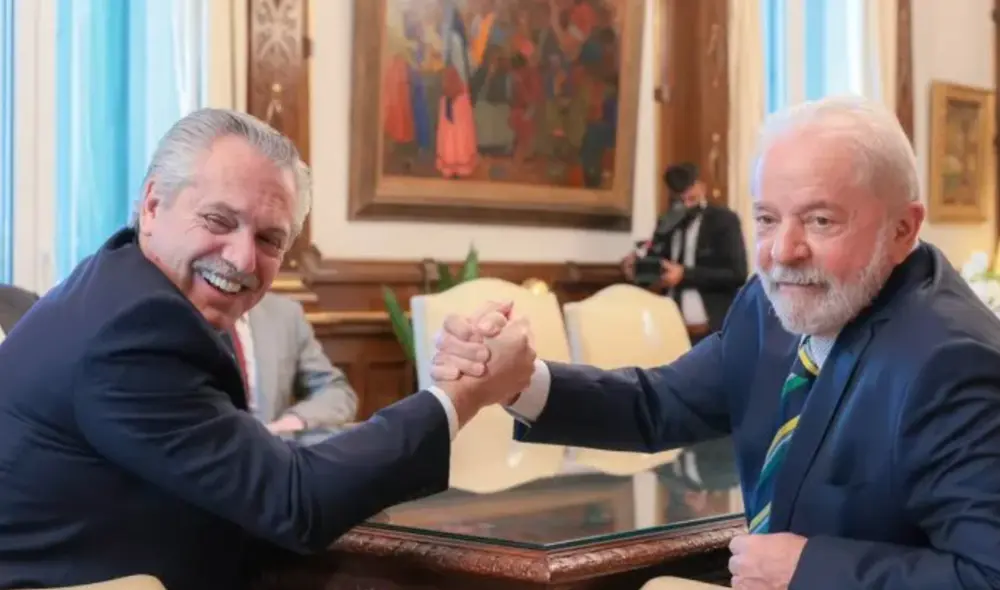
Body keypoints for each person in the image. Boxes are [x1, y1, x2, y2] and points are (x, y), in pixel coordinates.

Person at [432, 96, 1000, 589]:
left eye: (821, 221)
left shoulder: (952, 362)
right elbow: (659, 404)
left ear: (903, 228)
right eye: (767, 219)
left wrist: (810, 572)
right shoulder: (769, 304)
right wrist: (519, 382)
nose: (783, 251)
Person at [0, 109, 535, 590]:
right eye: (218, 220)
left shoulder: (126, 283)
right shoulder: (134, 328)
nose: (242, 259)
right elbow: (295, 501)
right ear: (153, 204)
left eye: (269, 240)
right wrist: (460, 395)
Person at [623, 162, 747, 343]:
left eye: (690, 192)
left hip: (711, 330)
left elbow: (737, 274)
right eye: (680, 196)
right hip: (671, 329)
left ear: (701, 186)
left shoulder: (723, 220)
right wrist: (637, 266)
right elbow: (657, 264)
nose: (686, 200)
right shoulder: (667, 221)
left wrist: (685, 274)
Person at [226, 291, 358, 438]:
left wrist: (294, 421)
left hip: (272, 451)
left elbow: (336, 392)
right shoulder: (197, 322)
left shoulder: (285, 313)